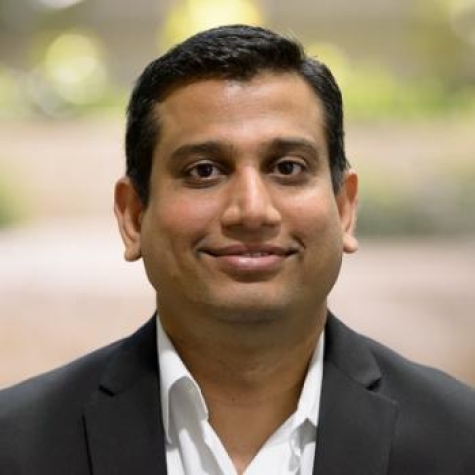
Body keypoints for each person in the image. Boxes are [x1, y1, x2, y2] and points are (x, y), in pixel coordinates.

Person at [0, 24, 474, 475]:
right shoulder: (16, 443)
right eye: (204, 171)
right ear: (133, 216)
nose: (252, 210)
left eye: (287, 168)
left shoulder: (460, 439)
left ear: (344, 208)